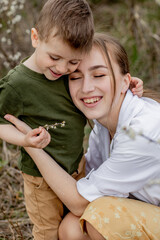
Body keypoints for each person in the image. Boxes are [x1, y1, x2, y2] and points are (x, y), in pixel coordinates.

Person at [5, 33, 160, 240]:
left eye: (99, 75)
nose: (86, 88)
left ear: (125, 83)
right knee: (72, 228)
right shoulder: (103, 127)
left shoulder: (141, 133)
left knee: (101, 217)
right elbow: (90, 184)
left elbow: (79, 201)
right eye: (76, 77)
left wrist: (31, 144)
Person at [0, 1, 94, 239]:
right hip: (41, 180)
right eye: (54, 57)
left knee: (77, 223)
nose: (62, 68)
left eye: (73, 61)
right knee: (48, 231)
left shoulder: (73, 74)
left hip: (76, 167)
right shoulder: (17, 84)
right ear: (35, 37)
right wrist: (24, 139)